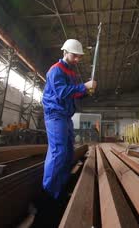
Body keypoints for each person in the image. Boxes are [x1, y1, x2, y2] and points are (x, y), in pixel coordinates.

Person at [41, 39, 96, 199]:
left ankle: (61, 188)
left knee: (68, 152)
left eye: (79, 56)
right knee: (59, 152)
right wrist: (84, 86)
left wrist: (86, 92)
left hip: (65, 116)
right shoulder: (56, 70)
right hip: (55, 115)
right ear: (65, 52)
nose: (77, 59)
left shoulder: (70, 72)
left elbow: (74, 93)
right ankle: (49, 193)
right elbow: (62, 92)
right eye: (75, 56)